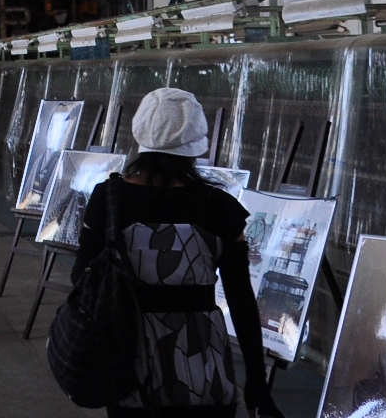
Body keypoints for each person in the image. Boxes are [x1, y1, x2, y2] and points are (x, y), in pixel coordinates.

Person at [71, 88, 281, 418]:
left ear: (141, 136)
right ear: (195, 145)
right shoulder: (220, 208)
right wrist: (256, 379)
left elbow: (79, 278)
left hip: (128, 364)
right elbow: (241, 302)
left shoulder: (108, 200)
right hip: (202, 367)